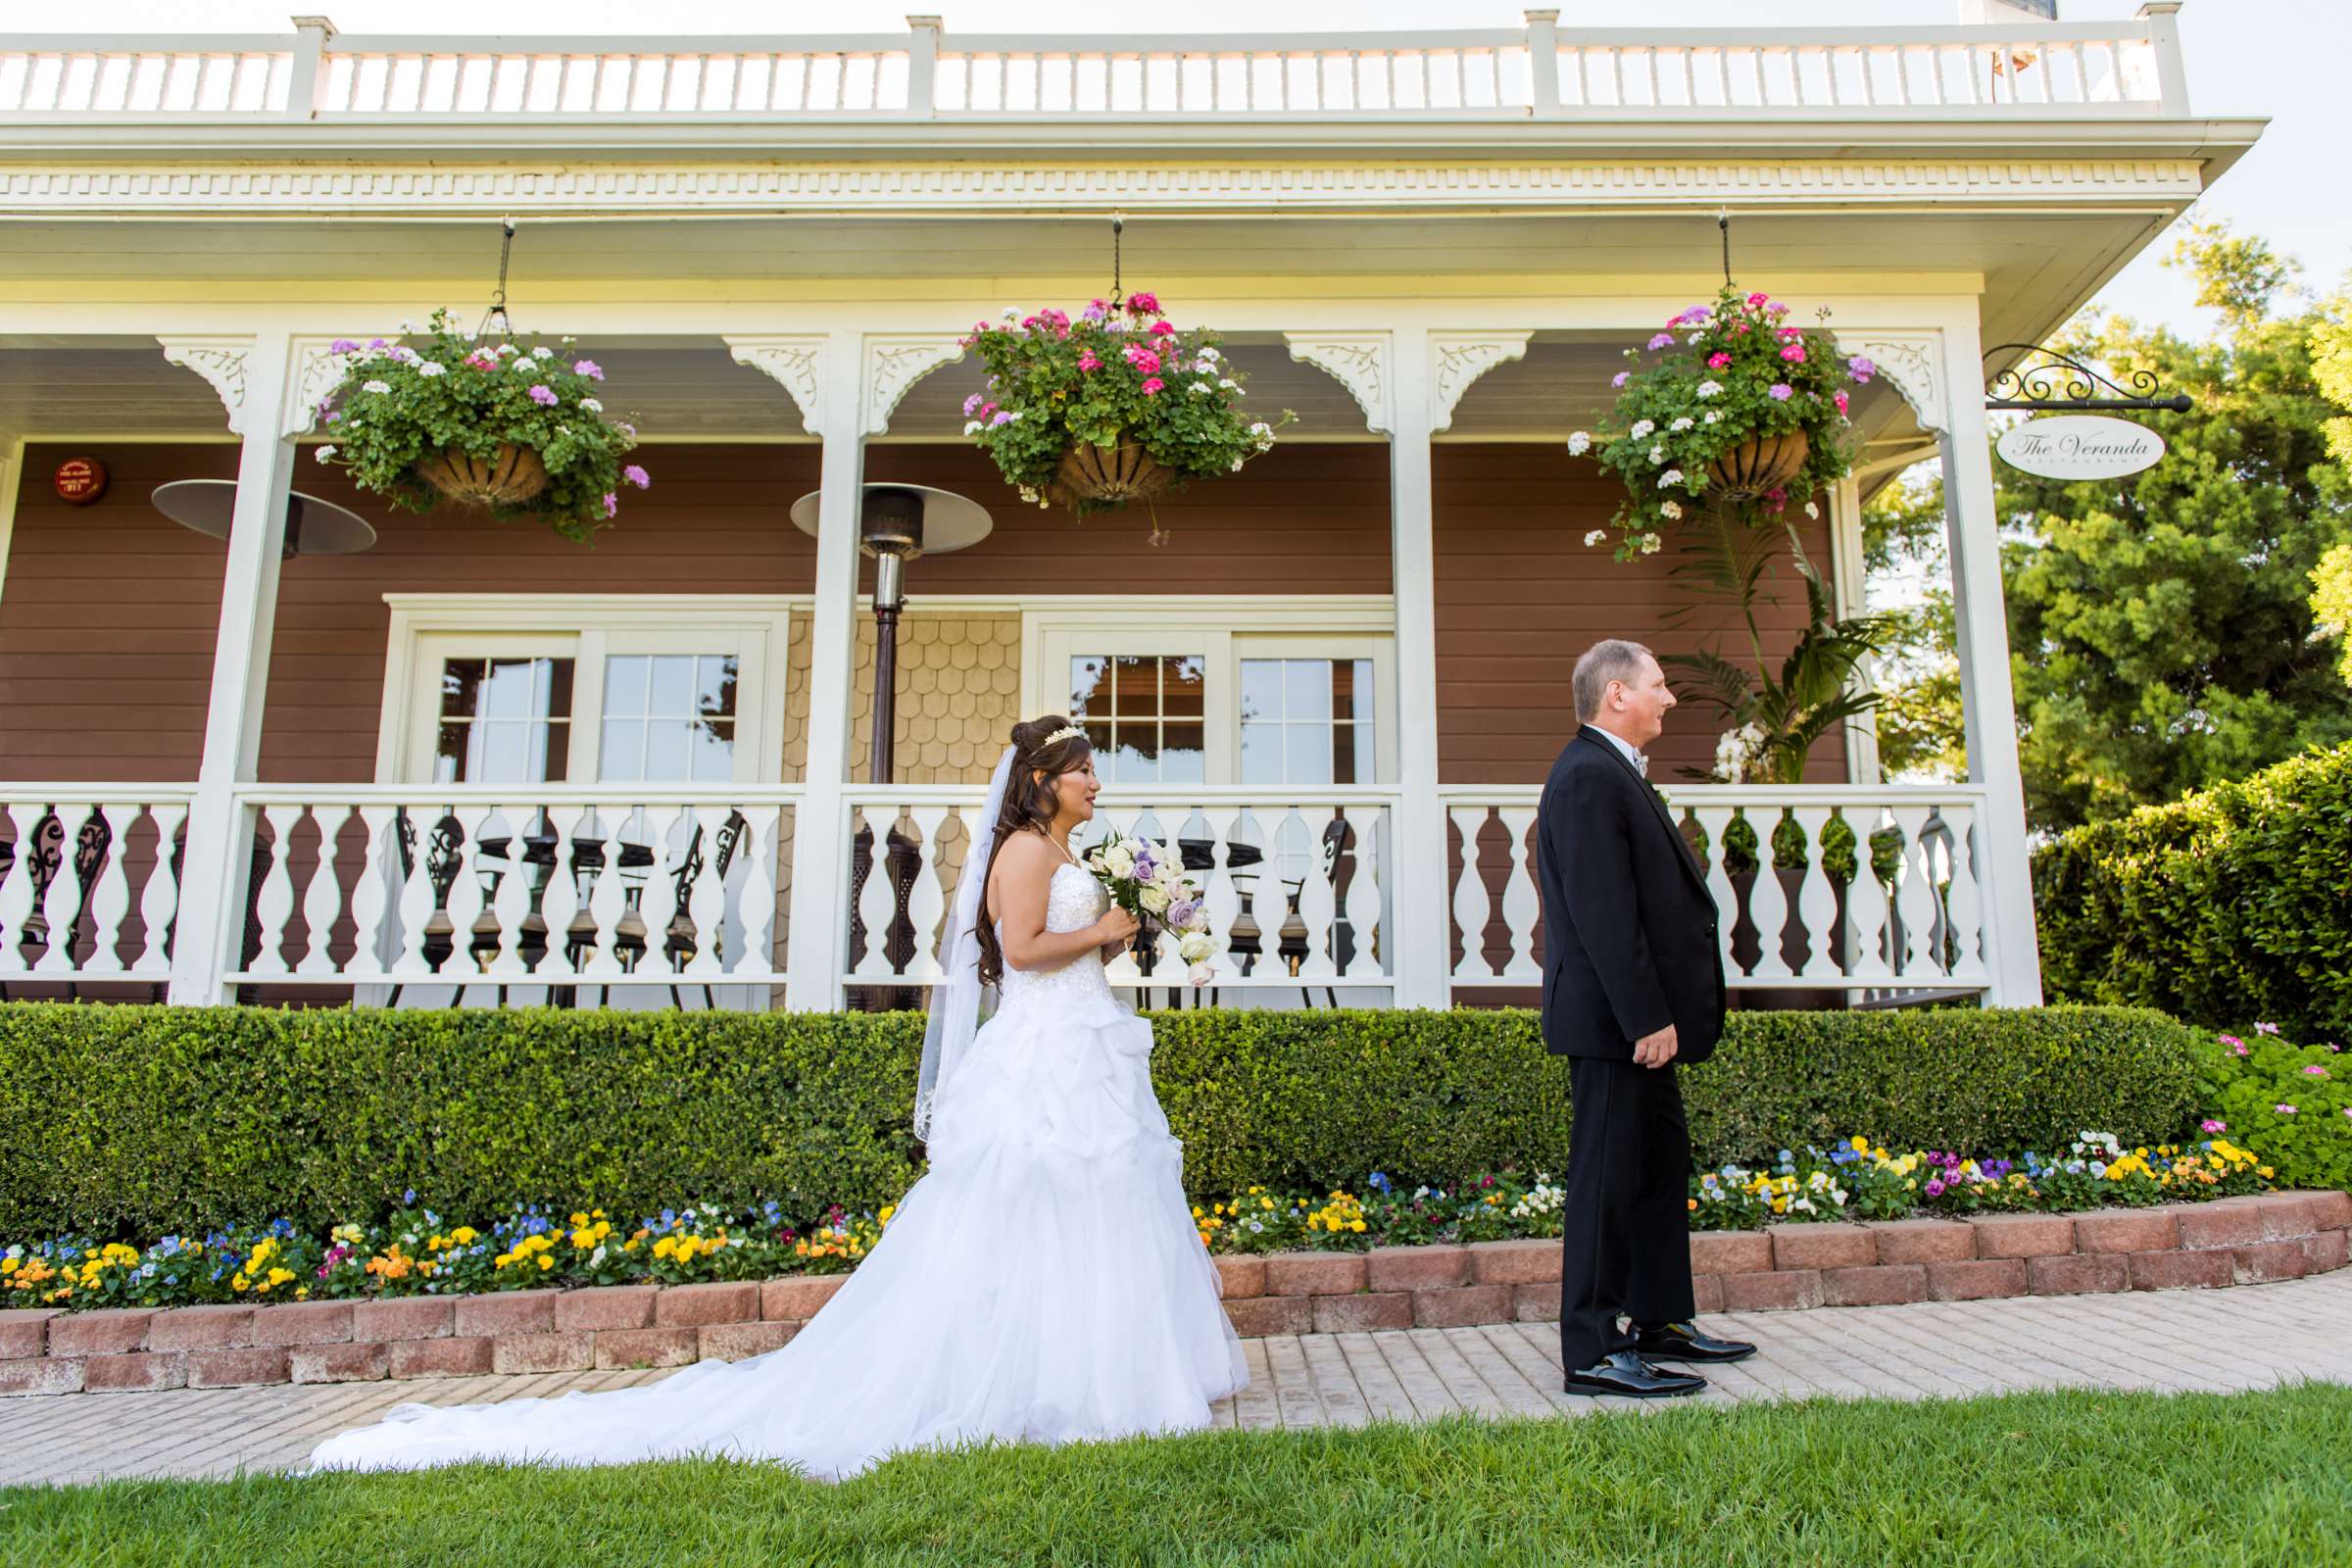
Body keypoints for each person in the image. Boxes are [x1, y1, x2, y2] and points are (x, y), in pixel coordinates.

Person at [308, 716, 1246, 1479]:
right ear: (1044, 781)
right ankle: (1045, 1378)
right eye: (1084, 772)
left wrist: (1132, 928)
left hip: (1087, 1040)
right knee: (1038, 1201)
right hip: (1046, 1050)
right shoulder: (1026, 856)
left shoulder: (1074, 854)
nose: (1096, 785)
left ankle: (1107, 1368)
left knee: (1100, 1200)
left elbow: (1076, 946)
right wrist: (1111, 926)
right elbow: (1027, 952)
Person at [1537, 640, 1754, 1398]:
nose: (1669, 698)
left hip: (1641, 1022)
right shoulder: (1588, 777)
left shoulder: (1615, 773)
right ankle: (1593, 1349)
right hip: (1614, 1024)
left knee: (1659, 1168)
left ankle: (1660, 1319)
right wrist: (1644, 1017)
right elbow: (1604, 914)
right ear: (1617, 694)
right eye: (1659, 686)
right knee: (1605, 1180)